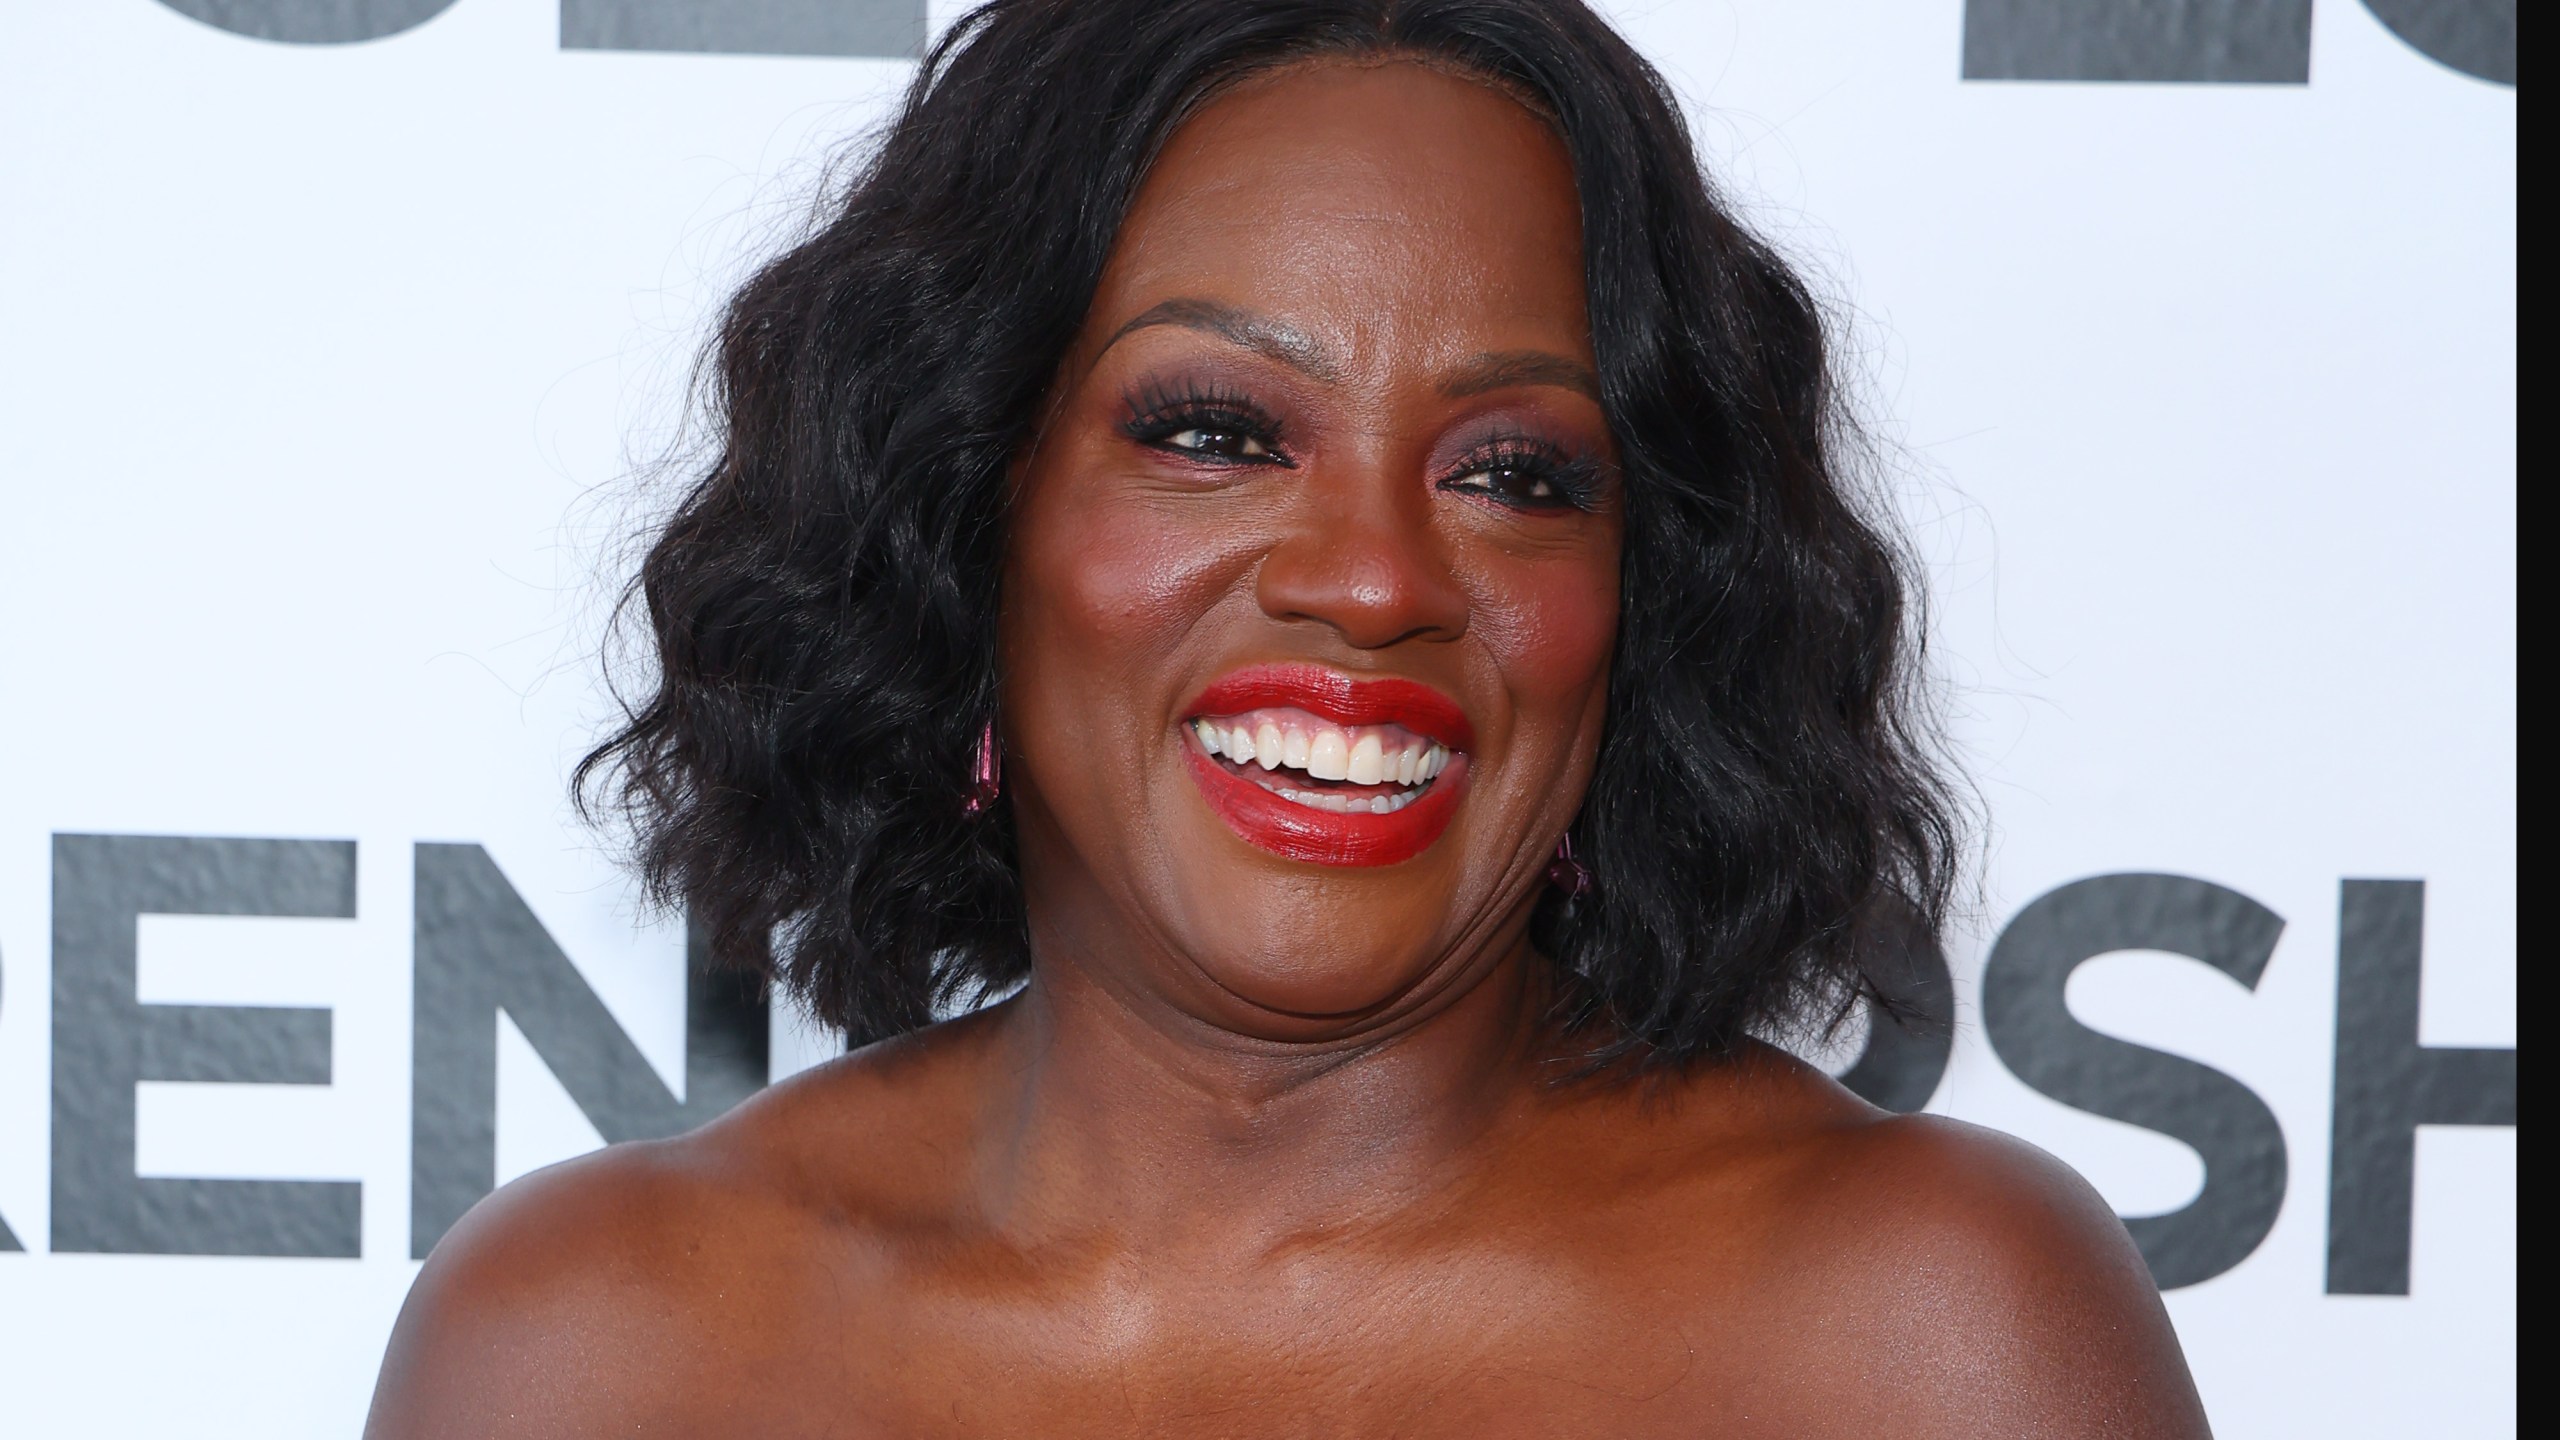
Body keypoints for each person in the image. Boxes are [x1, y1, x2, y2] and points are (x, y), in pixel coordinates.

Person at [367, 1, 2208, 1433]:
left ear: (1642, 601)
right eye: (1215, 433)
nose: (1372, 575)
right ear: (960, 513)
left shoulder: (1932, 1333)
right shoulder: (595, 1348)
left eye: (1512, 471)